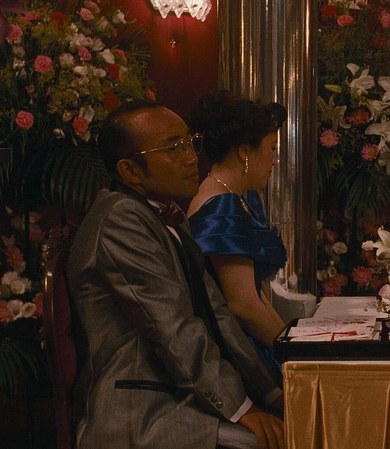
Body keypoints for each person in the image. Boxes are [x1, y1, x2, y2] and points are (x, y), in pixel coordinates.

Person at [67, 100, 285, 449]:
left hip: (180, 391)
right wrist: (242, 409)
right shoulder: (119, 219)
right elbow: (174, 329)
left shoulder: (166, 213)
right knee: (276, 441)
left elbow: (218, 315)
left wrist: (272, 392)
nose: (191, 158)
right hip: (142, 408)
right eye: (173, 148)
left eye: (190, 143)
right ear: (130, 170)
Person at [186, 91, 288, 378]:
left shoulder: (239, 197)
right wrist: (292, 352)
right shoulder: (221, 208)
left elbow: (257, 294)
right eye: (272, 149)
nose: (274, 160)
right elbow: (244, 306)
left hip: (252, 338)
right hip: (236, 350)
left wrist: (290, 339)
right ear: (244, 151)